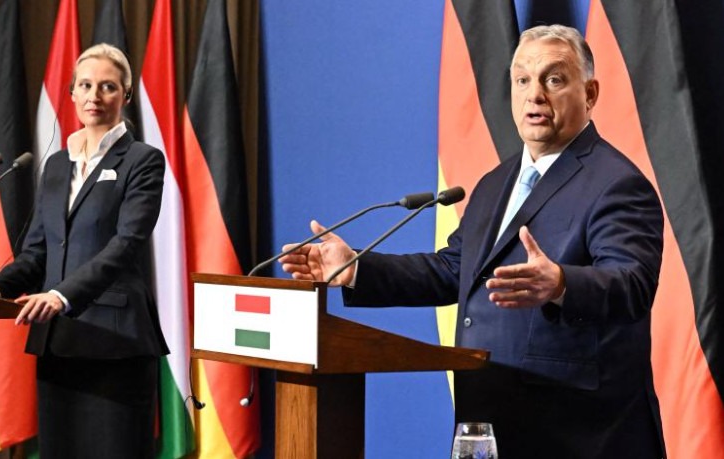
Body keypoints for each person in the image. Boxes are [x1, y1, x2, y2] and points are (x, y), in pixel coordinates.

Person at [280, 25, 665, 458]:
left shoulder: (617, 184)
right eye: (522, 80)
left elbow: (632, 285)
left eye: (554, 79)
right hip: (490, 420)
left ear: (590, 94)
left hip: (578, 434)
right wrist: (356, 269)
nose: (535, 95)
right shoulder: (495, 182)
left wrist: (560, 283)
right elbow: (454, 269)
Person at [0, 43, 167, 457]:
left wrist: (61, 295)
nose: (94, 95)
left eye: (107, 86)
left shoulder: (142, 160)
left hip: (115, 343)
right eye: (85, 85)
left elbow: (126, 244)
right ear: (71, 93)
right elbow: (37, 253)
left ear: (125, 95)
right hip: (59, 341)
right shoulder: (56, 165)